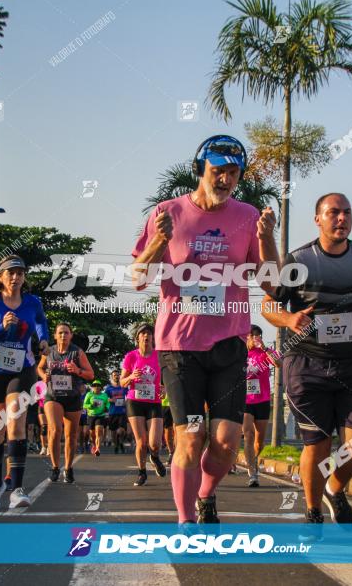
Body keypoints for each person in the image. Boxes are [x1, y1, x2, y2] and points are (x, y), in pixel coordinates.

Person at [131, 135, 279, 524]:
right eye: (218, 171)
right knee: (191, 435)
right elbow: (137, 278)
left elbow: (273, 283)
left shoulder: (247, 217)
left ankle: (205, 494)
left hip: (230, 343)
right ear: (201, 170)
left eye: (233, 173)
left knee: (227, 442)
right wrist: (157, 242)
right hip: (180, 346)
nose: (225, 179)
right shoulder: (167, 212)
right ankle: (185, 521)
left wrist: (267, 240)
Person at [262, 193, 352, 533]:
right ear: (318, 219)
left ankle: (335, 490)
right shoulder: (299, 260)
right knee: (317, 445)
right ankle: (312, 510)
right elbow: (268, 306)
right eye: (333, 213)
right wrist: (290, 319)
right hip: (308, 365)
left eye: (347, 212)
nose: (341, 219)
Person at [0, 255, 49, 510]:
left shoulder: (32, 302)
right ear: (0, 277)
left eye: (20, 273)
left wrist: (44, 340)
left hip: (21, 370)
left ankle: (17, 488)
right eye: (10, 273)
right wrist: (0, 328)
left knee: (16, 426)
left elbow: (40, 322)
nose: (15, 277)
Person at [37, 322, 94, 483]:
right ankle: (55, 467)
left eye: (66, 333)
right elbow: (39, 368)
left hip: (73, 397)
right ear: (55, 335)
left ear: (71, 335)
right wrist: (43, 376)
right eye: (60, 333)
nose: (63, 335)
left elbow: (90, 374)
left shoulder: (77, 353)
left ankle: (68, 468)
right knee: (55, 430)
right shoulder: (49, 352)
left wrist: (77, 371)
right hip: (53, 396)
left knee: (71, 435)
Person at [121, 323, 166, 486]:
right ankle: (141, 472)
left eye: (149, 334)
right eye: (143, 334)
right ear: (138, 338)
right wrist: (131, 376)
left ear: (153, 338)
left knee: (155, 443)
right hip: (135, 401)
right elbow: (122, 382)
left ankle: (154, 457)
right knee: (141, 441)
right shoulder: (131, 356)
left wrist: (165, 387)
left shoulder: (159, 356)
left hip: (154, 402)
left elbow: (168, 376)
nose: (146, 336)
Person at [243, 325, 281, 487]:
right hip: (244, 400)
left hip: (263, 400)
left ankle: (254, 459)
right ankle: (253, 473)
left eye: (258, 335)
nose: (255, 338)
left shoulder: (266, 352)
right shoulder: (240, 354)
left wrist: (265, 348)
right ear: (246, 337)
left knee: (259, 441)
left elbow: (278, 362)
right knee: (249, 435)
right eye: (252, 335)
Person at [83, 380, 110, 456]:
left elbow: (108, 403)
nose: (96, 387)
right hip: (91, 416)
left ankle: (98, 448)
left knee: (99, 431)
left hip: (100, 415)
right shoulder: (89, 394)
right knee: (92, 434)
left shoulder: (104, 395)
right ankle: (94, 445)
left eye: (98, 385)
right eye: (94, 385)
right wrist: (90, 406)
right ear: (92, 387)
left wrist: (106, 408)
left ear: (101, 387)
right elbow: (84, 405)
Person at [105, 370, 129, 454]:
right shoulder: (108, 388)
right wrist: (111, 399)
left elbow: (128, 396)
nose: (116, 376)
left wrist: (126, 402)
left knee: (121, 430)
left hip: (122, 412)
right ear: (111, 377)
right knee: (113, 432)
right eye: (114, 375)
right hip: (112, 412)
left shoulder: (124, 386)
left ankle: (121, 442)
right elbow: (105, 398)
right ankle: (116, 445)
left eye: (118, 375)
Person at [161, 384, 175, 465]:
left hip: (178, 403)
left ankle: (177, 452)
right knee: (167, 430)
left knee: (177, 429)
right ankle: (171, 452)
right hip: (165, 404)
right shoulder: (163, 371)